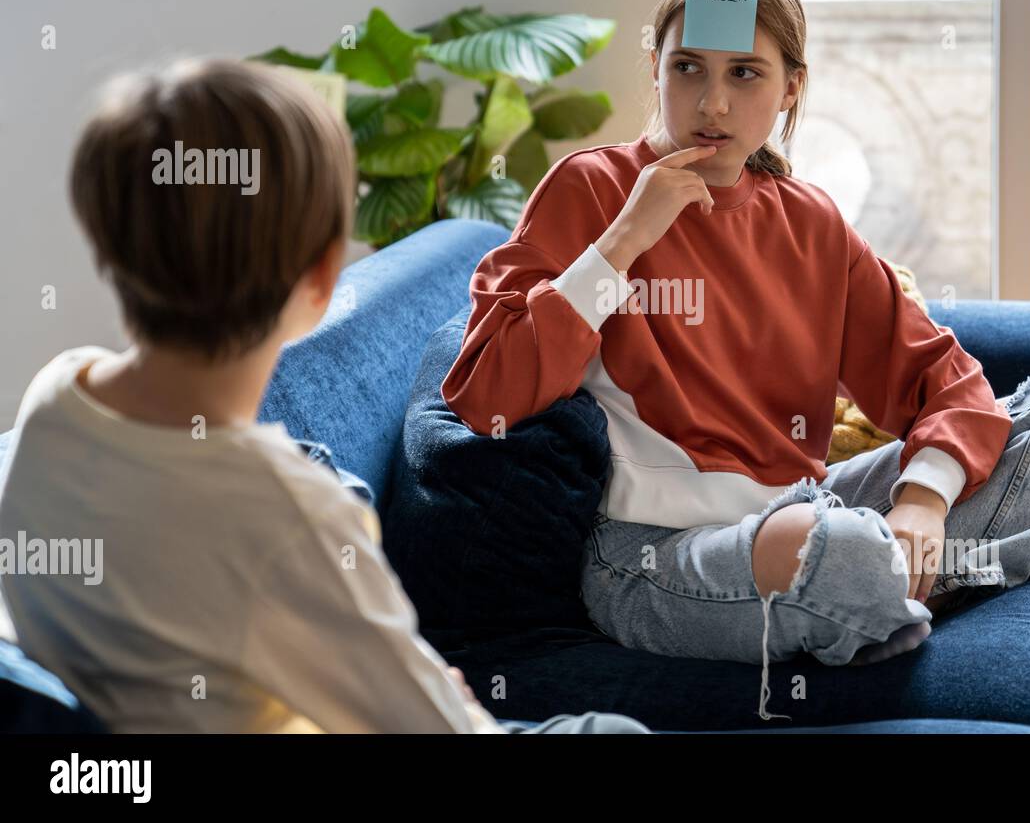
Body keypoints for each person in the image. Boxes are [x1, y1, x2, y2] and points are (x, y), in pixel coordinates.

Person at [442, 0, 1030, 720]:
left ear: (791, 85)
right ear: (654, 68)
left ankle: (880, 591)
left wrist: (925, 501)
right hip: (657, 554)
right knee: (839, 550)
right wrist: (623, 241)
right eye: (688, 68)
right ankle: (884, 586)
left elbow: (943, 376)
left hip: (806, 510)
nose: (713, 105)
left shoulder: (809, 220)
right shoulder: (590, 190)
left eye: (745, 74)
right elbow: (485, 391)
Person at [0, 58, 647, 734]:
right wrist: (443, 700)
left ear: (107, 247)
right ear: (319, 280)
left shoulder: (57, 394)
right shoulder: (284, 517)